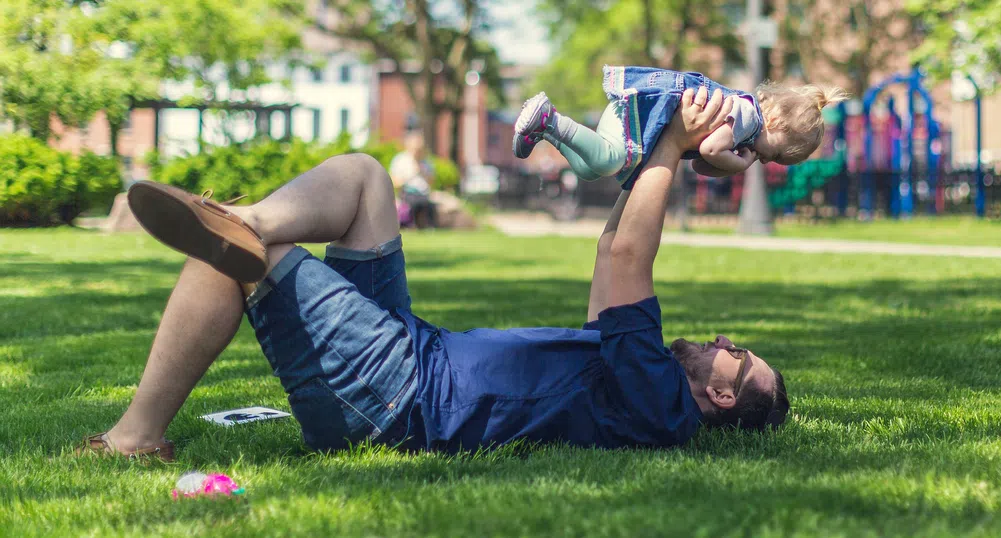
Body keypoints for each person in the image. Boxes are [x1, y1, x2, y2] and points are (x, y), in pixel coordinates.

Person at [77, 87, 788, 461]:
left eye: (736, 352)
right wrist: (672, 152)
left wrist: (671, 141)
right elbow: (612, 252)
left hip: (395, 397)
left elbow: (633, 257)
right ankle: (250, 221)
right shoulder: (634, 377)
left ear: (723, 395)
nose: (723, 339)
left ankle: (137, 436)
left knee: (243, 261)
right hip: (411, 352)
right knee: (364, 179)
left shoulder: (657, 403)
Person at [513, 65, 849, 189]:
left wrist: (728, 166)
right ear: (774, 120)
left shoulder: (741, 131)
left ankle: (545, 131)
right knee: (607, 161)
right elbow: (709, 150)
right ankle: (550, 117)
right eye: (773, 152)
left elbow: (704, 164)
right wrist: (741, 163)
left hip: (634, 116)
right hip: (641, 114)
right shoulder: (747, 116)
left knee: (588, 170)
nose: (764, 158)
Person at [389, 132, 437, 229]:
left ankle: (428, 226)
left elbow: (432, 182)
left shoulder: (426, 162)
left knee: (428, 204)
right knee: (414, 203)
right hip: (407, 193)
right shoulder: (400, 160)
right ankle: (411, 225)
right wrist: (410, 174)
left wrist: (423, 171)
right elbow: (394, 183)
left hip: (423, 194)